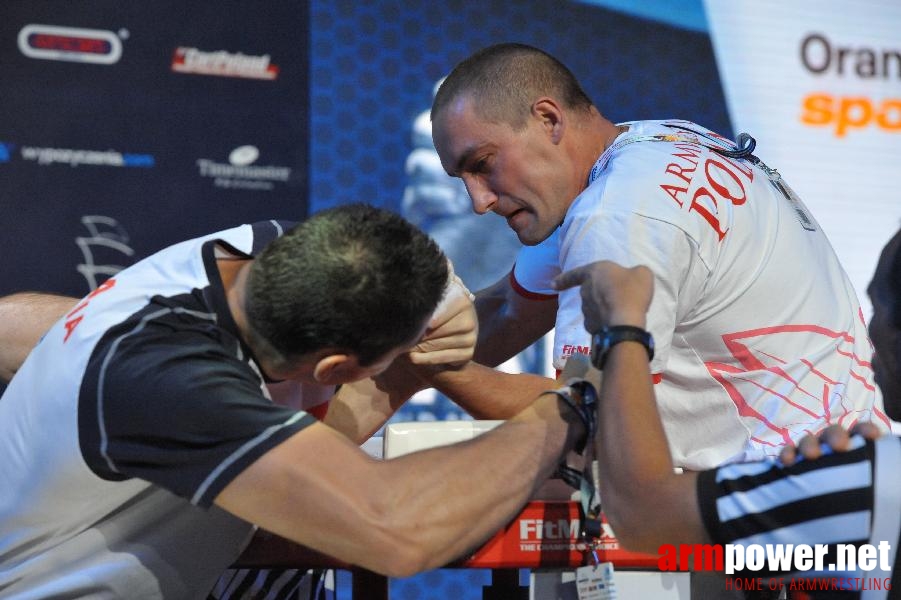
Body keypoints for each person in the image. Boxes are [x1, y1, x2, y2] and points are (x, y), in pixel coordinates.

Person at [0, 204, 588, 599]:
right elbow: (398, 531)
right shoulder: (181, 384)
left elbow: (389, 255)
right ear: (334, 368)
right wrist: (558, 417)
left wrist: (448, 295)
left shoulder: (251, 250)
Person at [422, 42, 890, 470]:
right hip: (848, 487)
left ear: (548, 119)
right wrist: (390, 350)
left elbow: (588, 417)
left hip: (785, 519)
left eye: (483, 165)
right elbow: (509, 310)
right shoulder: (659, 143)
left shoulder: (616, 215)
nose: (478, 200)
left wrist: (432, 368)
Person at [552, 226, 901, 598]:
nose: (869, 332)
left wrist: (622, 329)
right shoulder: (867, 479)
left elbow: (644, 512)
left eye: (878, 307)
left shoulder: (876, 482)